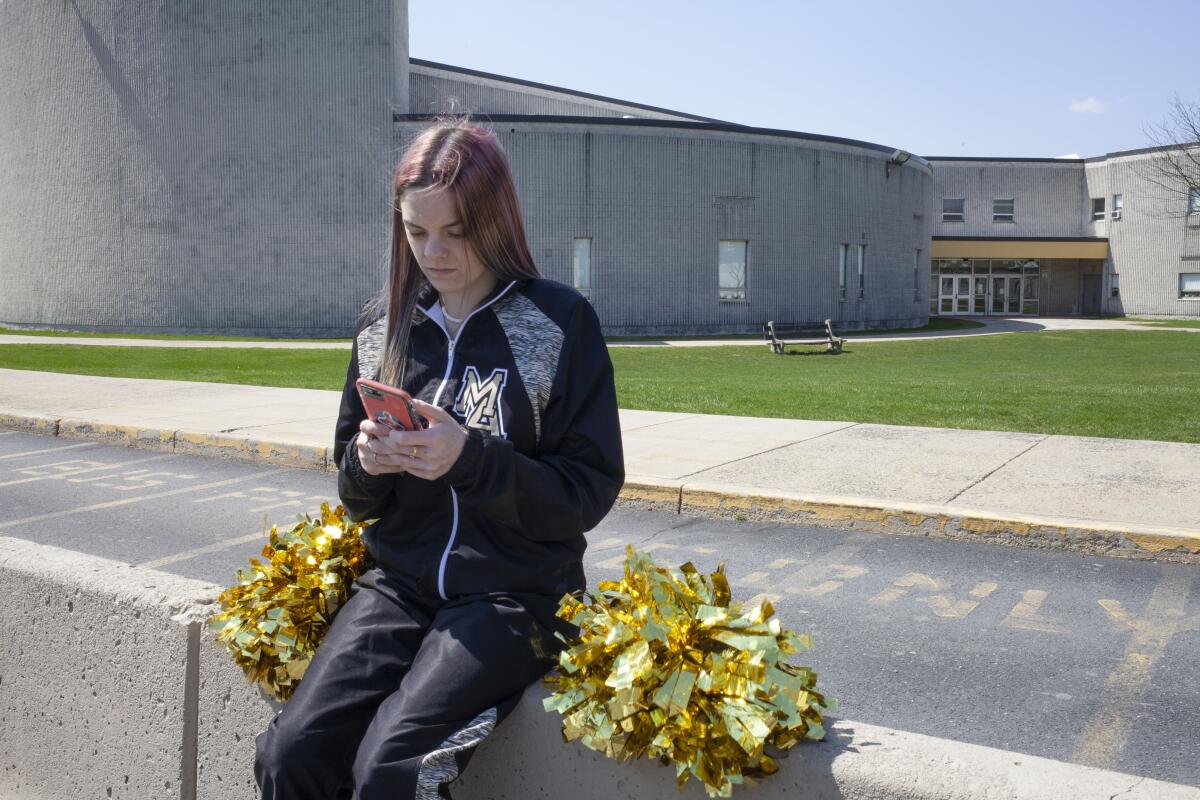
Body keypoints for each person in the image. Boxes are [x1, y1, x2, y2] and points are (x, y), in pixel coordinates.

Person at [254, 118, 625, 799]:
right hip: (399, 585)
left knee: (390, 770)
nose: (434, 251)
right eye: (415, 231)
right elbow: (354, 492)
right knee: (289, 753)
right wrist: (370, 463)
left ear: (495, 219)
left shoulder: (559, 322)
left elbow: (588, 489)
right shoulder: (383, 328)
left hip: (516, 598)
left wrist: (471, 459)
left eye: (455, 231)